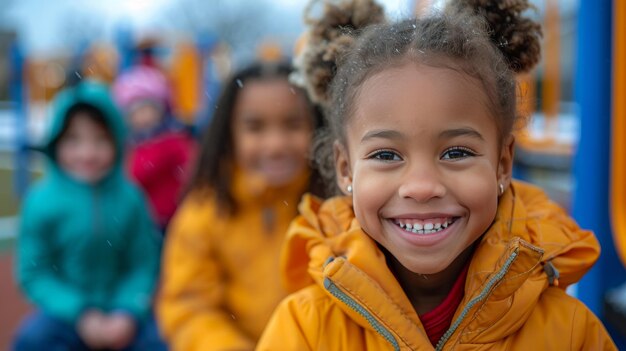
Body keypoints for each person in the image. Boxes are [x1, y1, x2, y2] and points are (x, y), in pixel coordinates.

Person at [256, 0, 617, 349]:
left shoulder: (569, 333)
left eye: (456, 152)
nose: (422, 187)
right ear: (346, 169)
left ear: (502, 164)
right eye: (386, 154)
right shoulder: (306, 329)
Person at [157, 61, 324, 351]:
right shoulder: (203, 214)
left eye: (293, 125)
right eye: (255, 127)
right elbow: (188, 308)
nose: (275, 144)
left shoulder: (335, 208)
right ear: (229, 133)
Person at [13, 81, 165, 351]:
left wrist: (128, 311)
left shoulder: (131, 198)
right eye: (73, 140)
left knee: (161, 341)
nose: (88, 153)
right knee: (30, 341)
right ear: (55, 143)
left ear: (116, 142)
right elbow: (35, 272)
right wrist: (80, 312)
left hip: (124, 313)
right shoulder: (40, 202)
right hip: (65, 315)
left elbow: (143, 263)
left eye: (100, 139)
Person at [112, 65, 196, 233]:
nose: (142, 117)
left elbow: (191, 168)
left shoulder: (172, 140)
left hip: (172, 219)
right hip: (144, 222)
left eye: (146, 109)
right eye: (135, 112)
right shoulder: (130, 145)